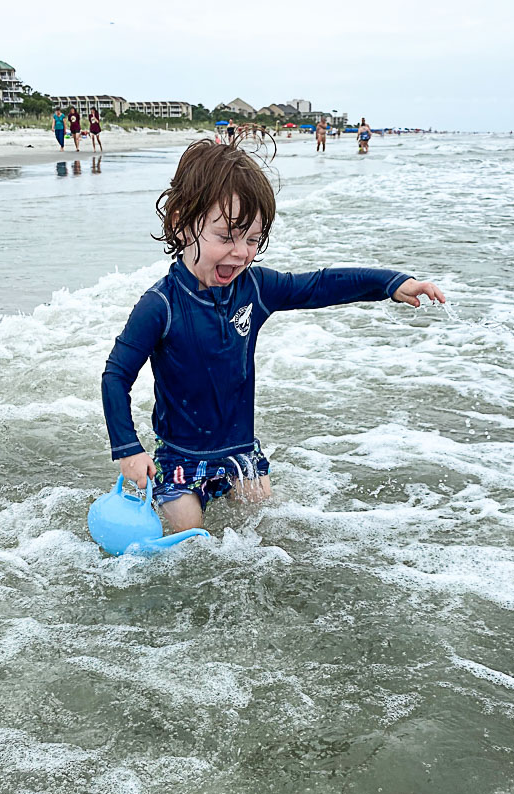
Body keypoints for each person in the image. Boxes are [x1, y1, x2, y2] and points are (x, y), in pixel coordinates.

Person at [101, 140, 445, 533]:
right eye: (227, 235)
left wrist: (392, 284)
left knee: (267, 536)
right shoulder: (160, 306)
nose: (241, 252)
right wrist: (128, 450)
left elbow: (319, 286)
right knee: (189, 540)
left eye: (253, 239)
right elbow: (116, 375)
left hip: (241, 455)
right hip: (181, 456)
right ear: (181, 222)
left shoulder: (255, 289)